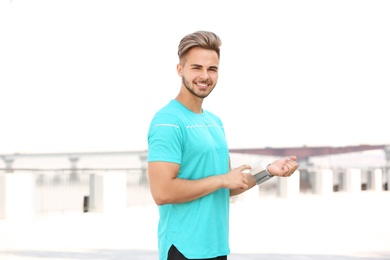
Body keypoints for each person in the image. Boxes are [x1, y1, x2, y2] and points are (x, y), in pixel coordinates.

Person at [147, 30, 299, 260]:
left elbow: (227, 185)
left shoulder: (214, 122)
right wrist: (221, 179)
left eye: (212, 69)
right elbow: (162, 192)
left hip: (217, 248)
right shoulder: (168, 121)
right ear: (180, 70)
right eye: (196, 67)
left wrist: (269, 171)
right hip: (184, 250)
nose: (205, 76)